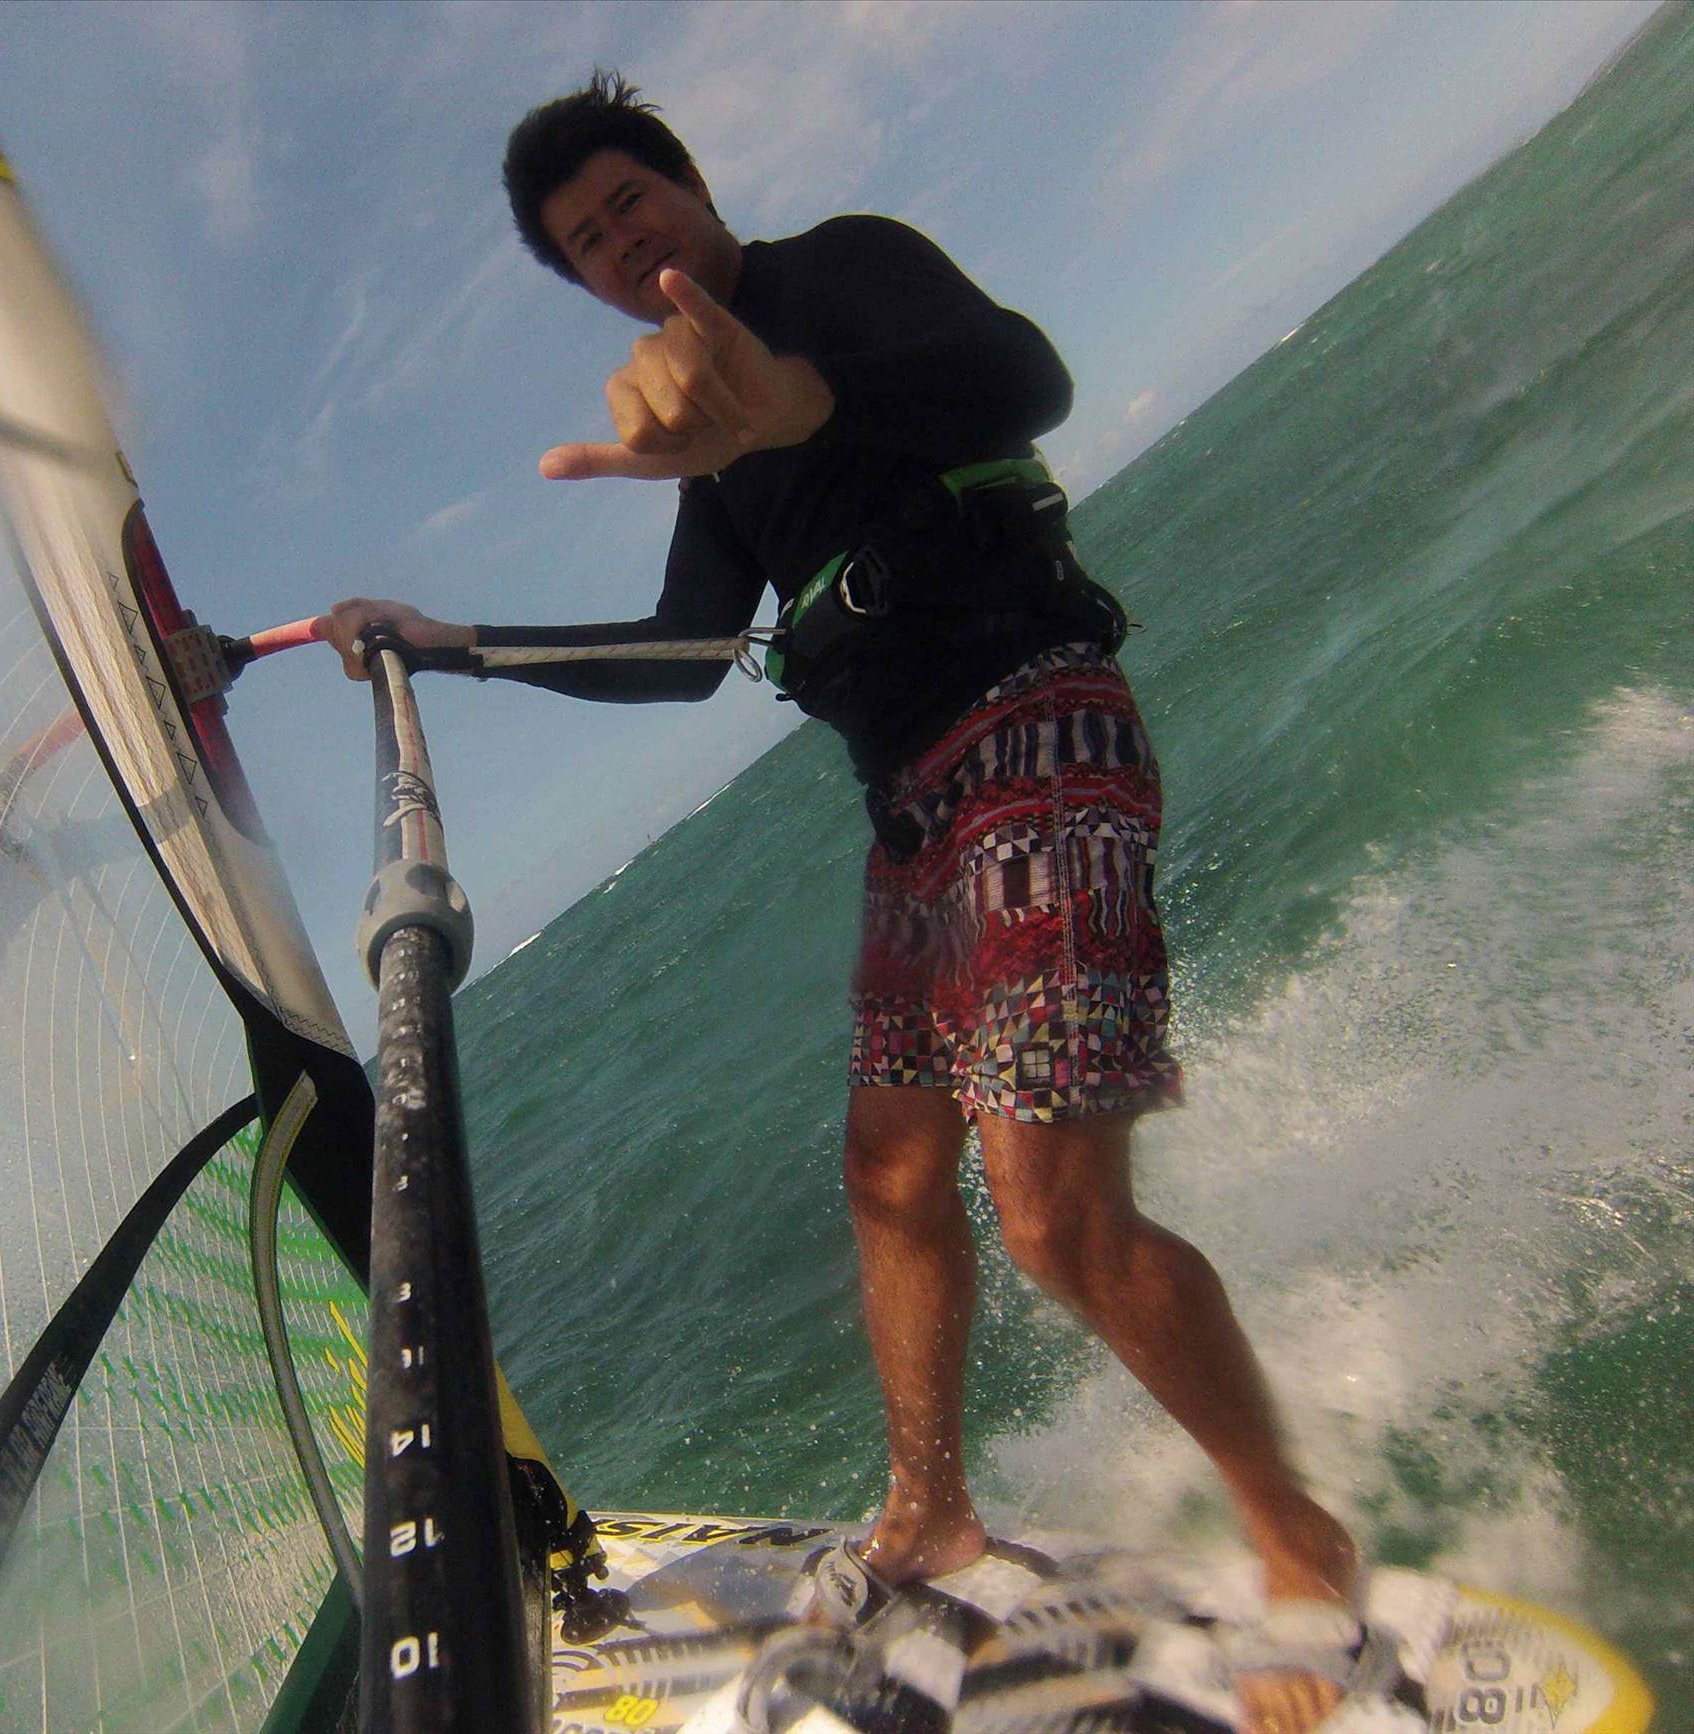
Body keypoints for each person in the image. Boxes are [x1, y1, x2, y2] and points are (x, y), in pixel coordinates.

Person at [318, 73, 1362, 1734]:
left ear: (686, 184)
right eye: (585, 242)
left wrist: (807, 401)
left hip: (1033, 722)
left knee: (1052, 1216)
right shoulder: (706, 460)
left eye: (628, 201)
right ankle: (931, 1509)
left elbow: (1027, 376)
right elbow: (678, 659)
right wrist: (456, 647)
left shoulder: (837, 273)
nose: (618, 241)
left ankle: (1300, 1535)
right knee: (889, 1173)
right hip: (914, 812)